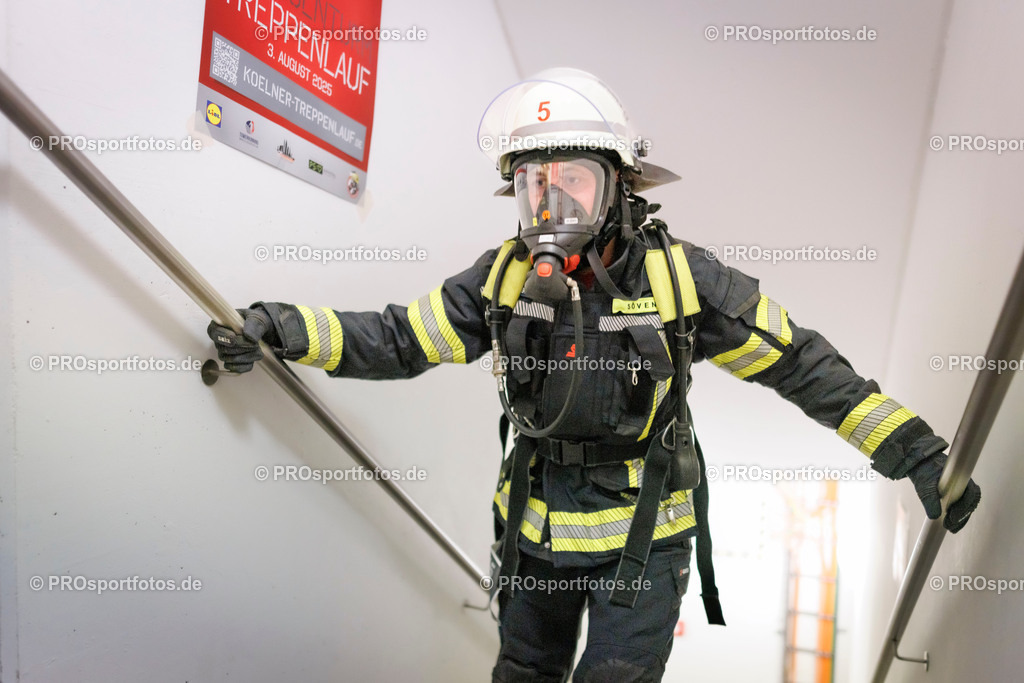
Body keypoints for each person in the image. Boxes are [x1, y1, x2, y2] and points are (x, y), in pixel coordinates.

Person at [208, 68, 981, 683]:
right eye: (531, 182)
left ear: (620, 184)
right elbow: (401, 339)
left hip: (641, 552)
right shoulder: (502, 279)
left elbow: (804, 365)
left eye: (572, 177)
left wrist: (915, 453)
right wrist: (279, 329)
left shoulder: (684, 284)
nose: (550, 201)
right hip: (534, 536)